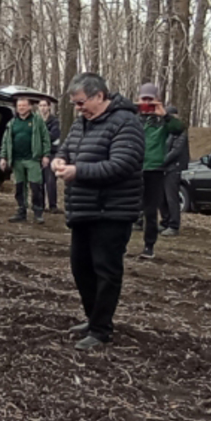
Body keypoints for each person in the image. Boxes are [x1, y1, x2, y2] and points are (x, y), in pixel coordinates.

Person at [55, 73, 144, 350]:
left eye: (81, 102)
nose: (78, 108)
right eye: (75, 104)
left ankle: (101, 329)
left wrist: (77, 171)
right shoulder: (82, 123)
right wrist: (60, 159)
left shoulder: (126, 123)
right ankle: (93, 318)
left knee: (105, 270)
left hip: (112, 210)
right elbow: (67, 147)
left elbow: (122, 164)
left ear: (99, 96)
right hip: (83, 208)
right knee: (81, 268)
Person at [135, 83, 186, 259]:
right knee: (127, 209)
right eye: (144, 99)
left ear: (157, 101)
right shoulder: (132, 118)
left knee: (150, 211)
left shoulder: (163, 122)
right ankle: (121, 244)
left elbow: (179, 129)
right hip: (133, 169)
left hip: (154, 170)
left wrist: (163, 114)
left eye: (151, 99)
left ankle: (149, 246)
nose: (147, 103)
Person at [1, 97, 50, 224]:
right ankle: (21, 211)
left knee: (36, 187)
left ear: (29, 107)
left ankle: (38, 213)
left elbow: (45, 138)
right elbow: (6, 141)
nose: (21, 108)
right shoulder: (12, 123)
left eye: (23, 105)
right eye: (19, 106)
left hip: (33, 159)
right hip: (17, 160)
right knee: (19, 187)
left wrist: (46, 155)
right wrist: (3, 157)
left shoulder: (37, 120)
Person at [160, 103, 189, 236]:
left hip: (174, 167)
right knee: (162, 197)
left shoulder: (180, 131)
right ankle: (165, 222)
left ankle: (174, 225)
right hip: (164, 167)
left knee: (172, 197)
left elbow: (176, 151)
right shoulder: (166, 130)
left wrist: (161, 161)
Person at [40, 100, 63, 213]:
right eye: (41, 105)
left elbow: (54, 136)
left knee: (50, 180)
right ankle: (41, 204)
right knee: (39, 180)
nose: (43, 108)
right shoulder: (36, 120)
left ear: (49, 107)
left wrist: (42, 134)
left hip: (51, 153)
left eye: (45, 105)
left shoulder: (54, 121)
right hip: (39, 153)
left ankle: (53, 205)